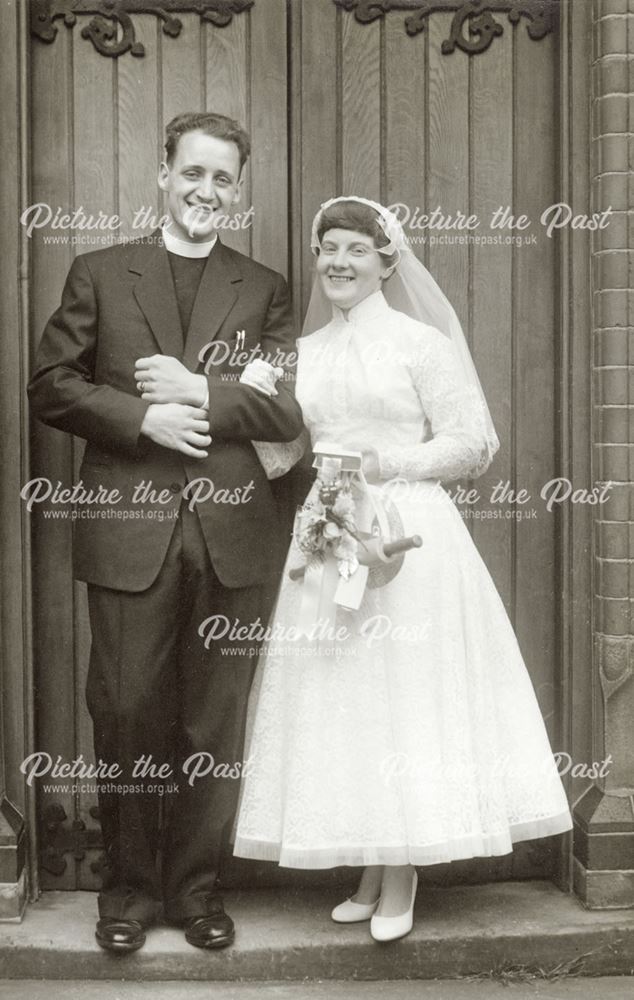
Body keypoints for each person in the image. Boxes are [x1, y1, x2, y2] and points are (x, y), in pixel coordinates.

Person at [233, 196, 572, 942]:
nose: (339, 263)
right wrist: (251, 400)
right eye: (329, 248)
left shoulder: (420, 343)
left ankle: (403, 869)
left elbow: (472, 443)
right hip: (328, 533)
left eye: (357, 249)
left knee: (406, 694)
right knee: (347, 695)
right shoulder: (307, 351)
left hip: (408, 529)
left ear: (389, 260)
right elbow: (285, 456)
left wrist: (385, 464)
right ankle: (369, 863)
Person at [28, 111, 303, 953]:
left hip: (235, 536)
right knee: (125, 711)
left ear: (237, 190)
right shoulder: (102, 273)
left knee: (212, 722)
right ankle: (128, 891)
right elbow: (51, 384)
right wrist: (144, 419)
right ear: (163, 173)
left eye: (223, 179)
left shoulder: (262, 289)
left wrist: (195, 391)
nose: (206, 191)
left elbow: (281, 405)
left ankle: (195, 892)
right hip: (129, 531)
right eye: (193, 173)